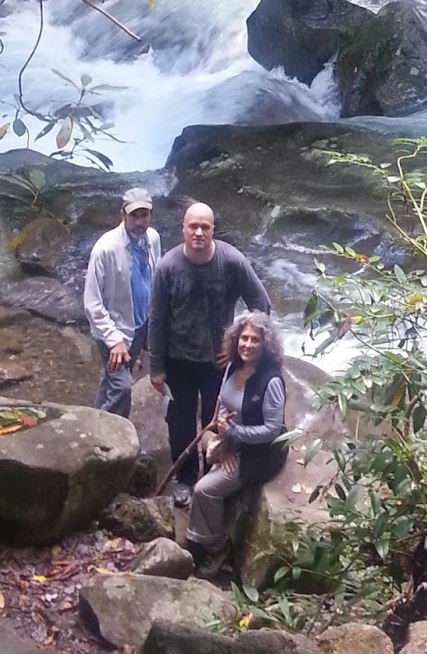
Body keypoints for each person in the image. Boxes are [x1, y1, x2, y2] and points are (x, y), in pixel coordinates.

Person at [147, 201, 271, 506]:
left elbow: (261, 304)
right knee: (180, 425)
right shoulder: (168, 267)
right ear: (183, 229)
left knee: (219, 422)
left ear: (213, 230)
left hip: (220, 362)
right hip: (178, 361)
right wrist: (156, 367)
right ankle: (186, 479)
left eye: (205, 226)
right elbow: (157, 319)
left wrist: (241, 346)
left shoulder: (232, 261)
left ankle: (215, 474)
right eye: (193, 226)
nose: (199, 232)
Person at [185, 311, 289, 580]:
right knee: (205, 453)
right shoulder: (233, 366)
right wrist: (220, 426)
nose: (248, 344)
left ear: (265, 345)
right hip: (233, 438)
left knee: (204, 490)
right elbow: (222, 402)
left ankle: (216, 547)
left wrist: (233, 436)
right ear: (236, 339)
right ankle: (207, 530)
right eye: (244, 338)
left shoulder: (272, 380)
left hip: (260, 453)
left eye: (255, 340)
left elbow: (272, 430)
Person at [83, 186, 162, 418]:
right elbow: (92, 302)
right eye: (134, 215)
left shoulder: (153, 239)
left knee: (112, 380)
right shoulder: (105, 249)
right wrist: (114, 340)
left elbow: (155, 278)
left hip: (141, 325)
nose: (139, 221)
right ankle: (112, 439)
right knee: (122, 387)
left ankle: (91, 421)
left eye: (144, 215)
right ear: (122, 215)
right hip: (114, 330)